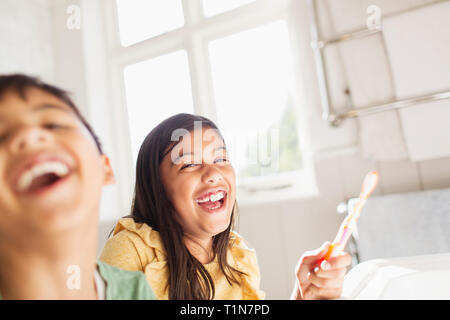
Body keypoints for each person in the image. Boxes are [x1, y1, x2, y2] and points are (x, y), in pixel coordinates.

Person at [100, 113, 351, 300]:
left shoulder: (238, 257)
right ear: (157, 189)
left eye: (220, 159)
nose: (213, 173)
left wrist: (304, 296)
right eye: (188, 164)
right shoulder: (131, 250)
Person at [0, 74, 156, 300]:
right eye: (1, 137)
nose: (30, 135)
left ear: (105, 168)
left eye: (54, 124)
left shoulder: (135, 291)